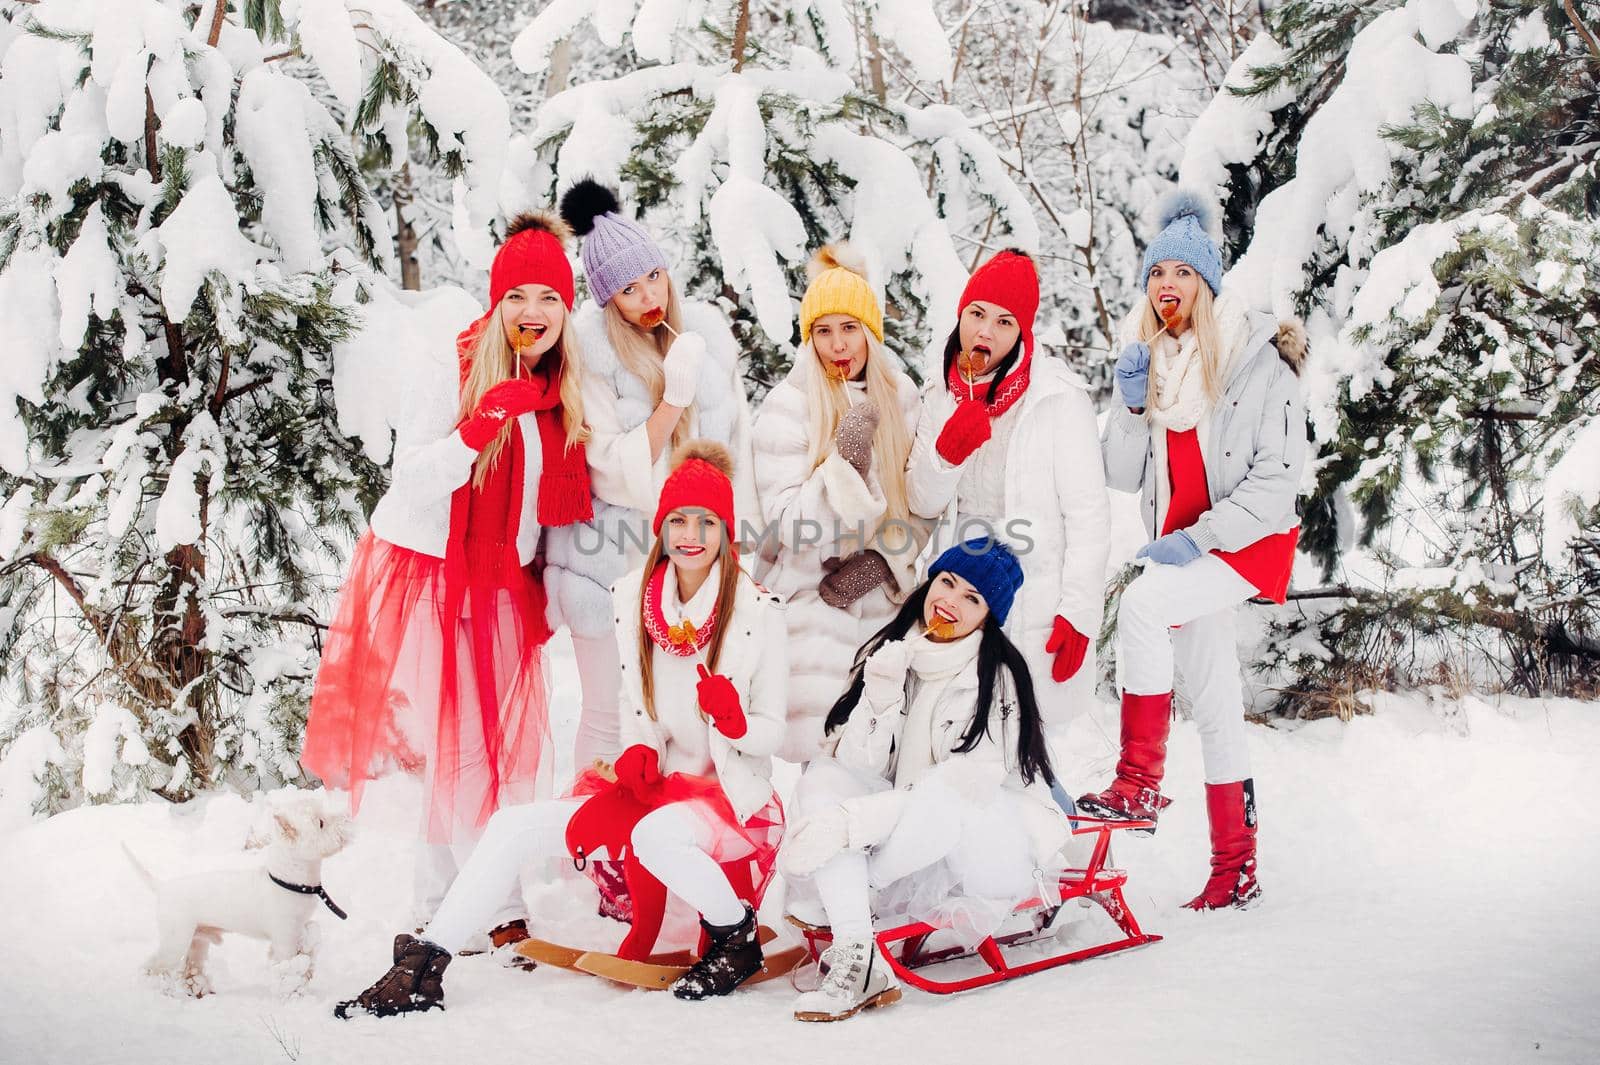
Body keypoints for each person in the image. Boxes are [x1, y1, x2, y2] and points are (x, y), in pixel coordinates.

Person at [334, 442, 789, 1017]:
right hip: (654, 788)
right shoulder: (635, 602)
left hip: (724, 795)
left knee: (655, 839)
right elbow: (636, 707)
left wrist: (735, 722)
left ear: (727, 531)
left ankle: (735, 936)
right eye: (677, 520)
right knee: (512, 826)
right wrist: (641, 749)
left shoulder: (759, 612)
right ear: (661, 527)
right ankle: (426, 963)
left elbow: (772, 732)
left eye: (706, 521)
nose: (690, 534)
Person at [301, 212, 589, 942]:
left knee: (479, 751)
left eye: (549, 298)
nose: (533, 313)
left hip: (506, 583)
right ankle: (496, 907)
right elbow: (410, 481)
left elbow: (540, 507)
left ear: (566, 308)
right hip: (439, 577)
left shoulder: (557, 388)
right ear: (495, 304)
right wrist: (477, 426)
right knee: (469, 750)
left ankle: (435, 905)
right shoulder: (453, 368)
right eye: (517, 296)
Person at [1077, 190, 1307, 911]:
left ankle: (1138, 782)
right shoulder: (1156, 365)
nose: (1166, 285)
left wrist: (1200, 538)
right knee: (1215, 706)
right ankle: (1236, 866)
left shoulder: (1256, 362)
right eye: (1155, 275)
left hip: (1240, 544)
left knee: (1143, 605)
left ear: (1206, 283)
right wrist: (1129, 404)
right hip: (1184, 550)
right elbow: (1118, 474)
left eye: (1181, 272)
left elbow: (1276, 483)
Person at [778, 538, 1067, 1022]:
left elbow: (968, 785)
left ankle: (846, 891)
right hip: (900, 829)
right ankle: (858, 954)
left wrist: (850, 826)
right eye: (948, 582)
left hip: (981, 837)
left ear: (987, 617)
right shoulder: (891, 648)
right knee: (824, 775)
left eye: (972, 598)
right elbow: (860, 766)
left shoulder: (998, 677)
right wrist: (881, 698)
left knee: (943, 795)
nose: (950, 601)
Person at [543, 179, 757, 774]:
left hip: (689, 563)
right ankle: (590, 850)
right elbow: (608, 471)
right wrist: (672, 401)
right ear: (607, 300)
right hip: (609, 565)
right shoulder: (590, 350)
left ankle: (654, 844)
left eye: (652, 278)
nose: (646, 297)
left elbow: (735, 451)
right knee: (610, 718)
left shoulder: (706, 336)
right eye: (627, 290)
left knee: (676, 718)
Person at [905, 249, 1110, 724]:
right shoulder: (936, 395)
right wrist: (946, 454)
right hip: (957, 597)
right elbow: (922, 502)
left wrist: (1079, 613)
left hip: (1033, 598)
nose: (985, 332)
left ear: (1022, 333)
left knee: (1027, 746)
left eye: (1004, 322)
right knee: (944, 741)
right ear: (960, 315)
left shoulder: (1057, 398)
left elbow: (1088, 515)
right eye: (976, 314)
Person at [750, 244, 929, 762]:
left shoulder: (903, 399)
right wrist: (843, 467)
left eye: (849, 328)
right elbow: (786, 525)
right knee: (811, 751)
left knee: (879, 753)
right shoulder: (788, 406)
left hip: (885, 601)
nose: (837, 344)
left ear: (871, 333)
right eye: (823, 331)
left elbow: (920, 507)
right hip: (808, 597)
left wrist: (881, 562)